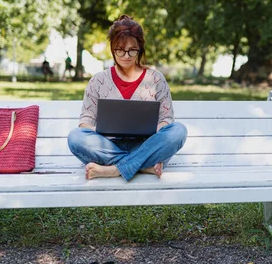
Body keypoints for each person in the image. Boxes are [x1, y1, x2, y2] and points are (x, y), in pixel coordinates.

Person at [67, 15, 187, 180]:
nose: (126, 55)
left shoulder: (156, 79)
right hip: (108, 146)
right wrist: (99, 130)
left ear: (140, 48)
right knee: (75, 137)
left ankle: (114, 169)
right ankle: (144, 167)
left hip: (147, 145)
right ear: (112, 48)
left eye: (132, 50)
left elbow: (166, 119)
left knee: (178, 131)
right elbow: (85, 122)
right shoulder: (98, 80)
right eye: (120, 50)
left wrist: (154, 133)